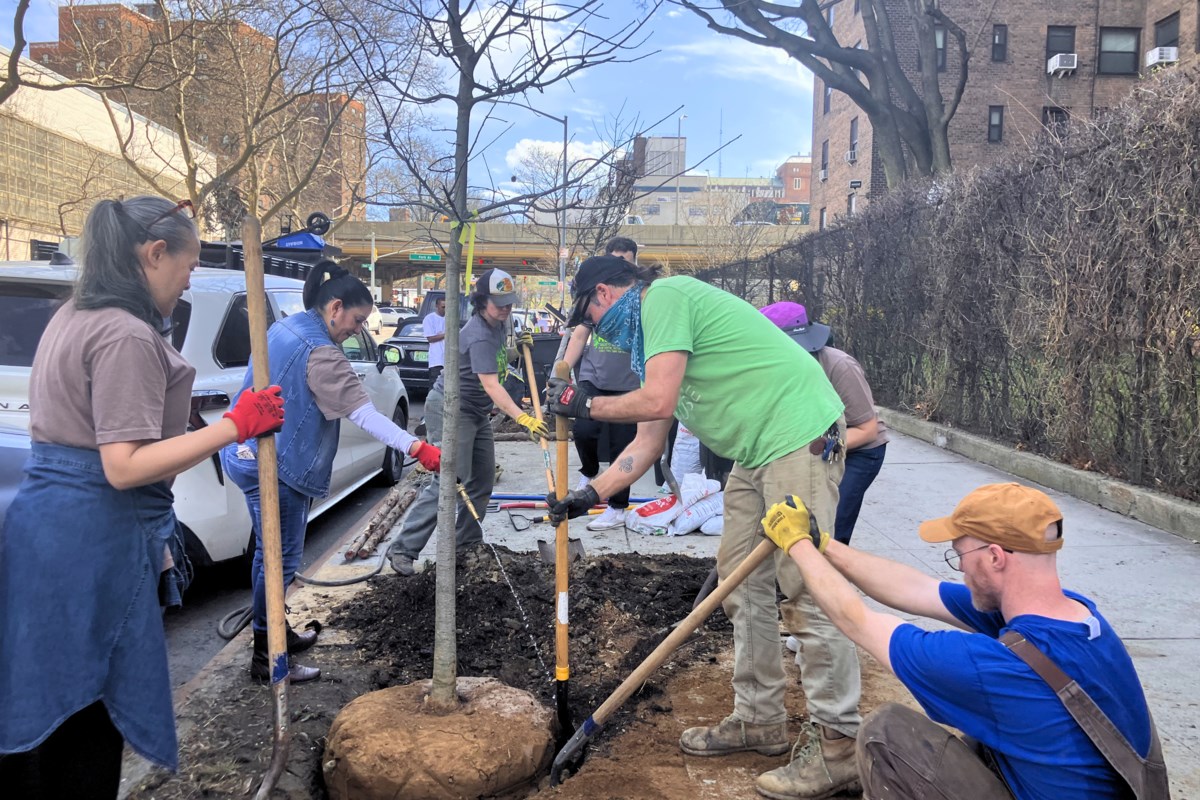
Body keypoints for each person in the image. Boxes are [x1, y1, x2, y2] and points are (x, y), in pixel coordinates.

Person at [546, 255, 861, 799]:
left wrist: (585, 403)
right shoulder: (654, 348)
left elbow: (659, 401)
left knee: (805, 588)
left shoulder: (663, 298)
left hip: (798, 432)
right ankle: (759, 719)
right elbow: (647, 443)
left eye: (593, 319)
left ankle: (839, 747)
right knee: (738, 582)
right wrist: (586, 497)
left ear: (603, 294)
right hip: (757, 449)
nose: (599, 333)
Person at [0, 196, 285, 798]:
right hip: (91, 542)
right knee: (86, 709)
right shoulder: (124, 335)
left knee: (46, 689)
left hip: (50, 530)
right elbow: (124, 465)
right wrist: (235, 426)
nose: (185, 285)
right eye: (185, 269)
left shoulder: (73, 313)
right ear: (153, 254)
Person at [759, 483, 1166, 800]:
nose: (960, 570)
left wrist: (795, 546)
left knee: (886, 731)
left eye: (959, 555)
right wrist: (822, 544)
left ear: (994, 557)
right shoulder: (1076, 616)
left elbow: (857, 620)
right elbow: (918, 589)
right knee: (980, 734)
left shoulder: (990, 667)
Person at [221, 260, 441, 683]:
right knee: (280, 561)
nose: (358, 330)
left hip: (245, 454)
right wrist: (416, 445)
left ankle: (276, 632)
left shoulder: (287, 327)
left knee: (269, 558)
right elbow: (365, 415)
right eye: (357, 320)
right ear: (335, 307)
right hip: (277, 468)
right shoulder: (321, 351)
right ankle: (268, 657)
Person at [388, 269, 547, 575]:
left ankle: (466, 545)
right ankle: (403, 549)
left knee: (482, 480)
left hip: (476, 411)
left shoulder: (500, 324)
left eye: (509, 303)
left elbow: (495, 361)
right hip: (451, 409)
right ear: (482, 301)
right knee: (449, 480)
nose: (505, 308)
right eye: (499, 303)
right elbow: (492, 384)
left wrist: (516, 349)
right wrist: (523, 417)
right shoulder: (477, 333)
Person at [761, 301, 888, 544]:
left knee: (829, 527)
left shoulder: (840, 366)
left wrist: (813, 447)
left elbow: (867, 429)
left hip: (859, 452)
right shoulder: (775, 369)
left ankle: (830, 577)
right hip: (813, 447)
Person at [560, 239, 644, 531]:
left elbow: (650, 434)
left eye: (625, 260)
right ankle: (591, 473)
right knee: (584, 429)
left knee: (626, 445)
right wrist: (563, 372)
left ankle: (618, 506)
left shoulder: (646, 311)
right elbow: (580, 335)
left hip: (629, 385)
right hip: (595, 377)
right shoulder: (597, 304)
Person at [424, 297, 447, 384]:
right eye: (443, 307)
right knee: (435, 386)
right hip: (437, 360)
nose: (445, 309)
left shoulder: (450, 318)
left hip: (449, 360)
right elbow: (430, 338)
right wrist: (446, 335)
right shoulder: (429, 319)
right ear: (437, 306)